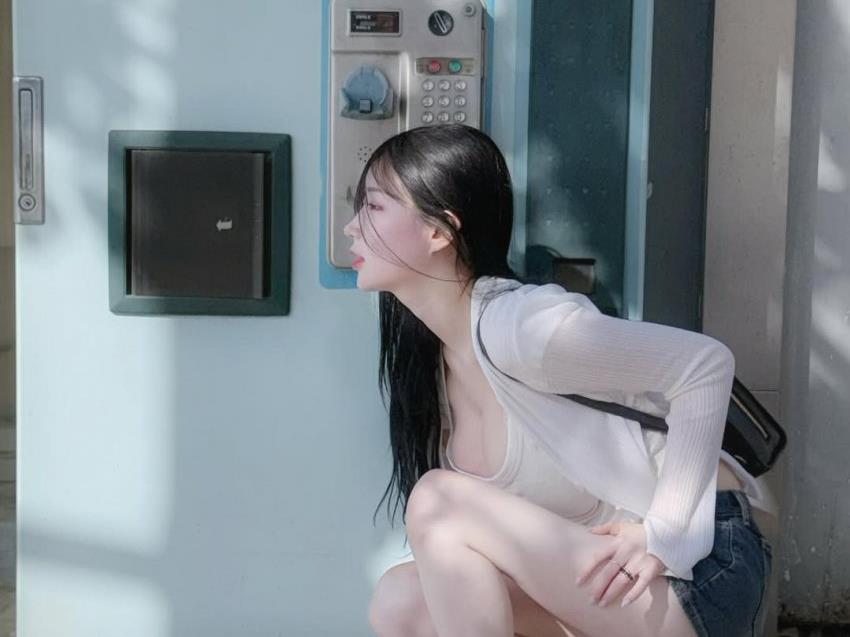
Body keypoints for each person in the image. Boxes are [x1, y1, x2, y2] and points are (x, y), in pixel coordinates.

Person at [342, 124, 773, 637]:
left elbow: (703, 365)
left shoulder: (521, 328)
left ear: (440, 232)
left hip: (700, 569)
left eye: (373, 207)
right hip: (608, 580)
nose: (351, 227)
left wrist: (668, 535)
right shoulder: (432, 365)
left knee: (439, 501)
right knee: (401, 600)